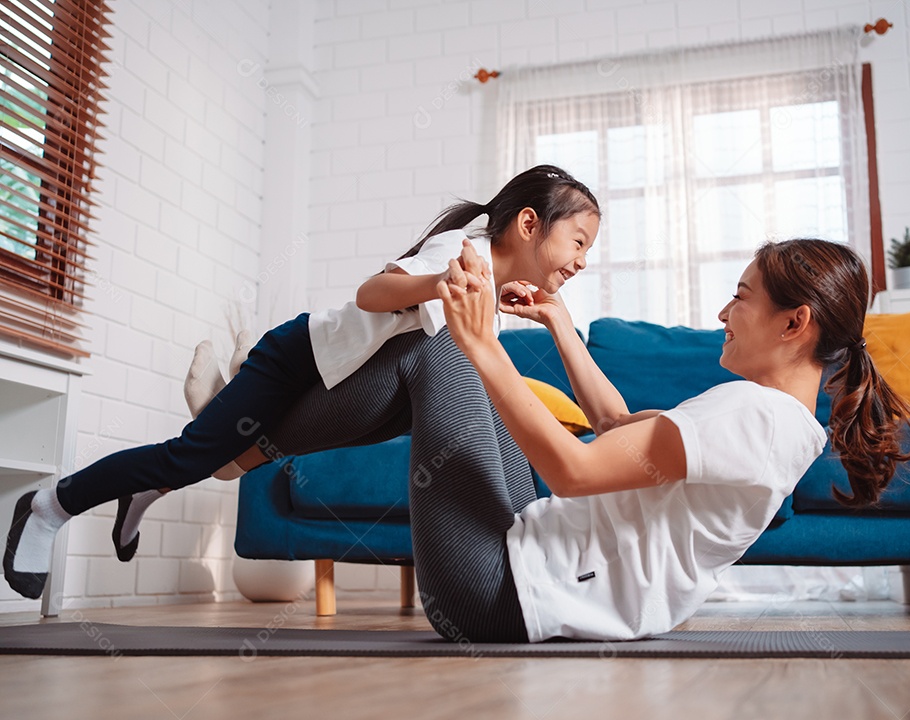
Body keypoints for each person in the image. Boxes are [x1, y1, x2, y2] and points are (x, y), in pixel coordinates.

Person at [188, 236, 910, 643]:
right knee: (444, 352)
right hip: (521, 562)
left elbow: (574, 471)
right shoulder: (771, 418)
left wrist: (484, 344)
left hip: (498, 599)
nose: (724, 310)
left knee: (439, 346)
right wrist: (562, 326)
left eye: (742, 295)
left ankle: (239, 440)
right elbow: (614, 429)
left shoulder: (755, 419)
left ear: (795, 324)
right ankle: (241, 446)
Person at [3, 165, 601, 601]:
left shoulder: (492, 290)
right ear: (528, 224)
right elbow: (371, 294)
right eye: (577, 242)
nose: (580, 261)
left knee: (225, 462)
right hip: (299, 359)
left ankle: (157, 481)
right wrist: (439, 283)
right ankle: (50, 505)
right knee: (194, 456)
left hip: (353, 388)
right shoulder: (462, 252)